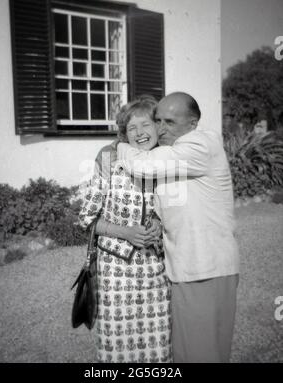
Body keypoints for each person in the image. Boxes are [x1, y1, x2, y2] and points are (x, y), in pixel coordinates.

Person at [117, 92, 240, 363]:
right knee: (196, 354)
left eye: (170, 122)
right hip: (191, 269)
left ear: (192, 123)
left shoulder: (199, 145)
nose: (161, 128)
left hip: (204, 269)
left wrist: (120, 145)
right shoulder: (174, 153)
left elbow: (142, 165)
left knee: (200, 355)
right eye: (157, 120)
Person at [78, 97, 173, 363]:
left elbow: (175, 211)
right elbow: (87, 218)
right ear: (124, 132)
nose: (140, 133)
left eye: (146, 125)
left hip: (156, 272)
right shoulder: (110, 161)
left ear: (157, 127)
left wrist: (159, 223)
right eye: (133, 128)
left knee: (157, 345)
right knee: (117, 348)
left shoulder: (166, 163)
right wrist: (126, 232)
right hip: (115, 275)